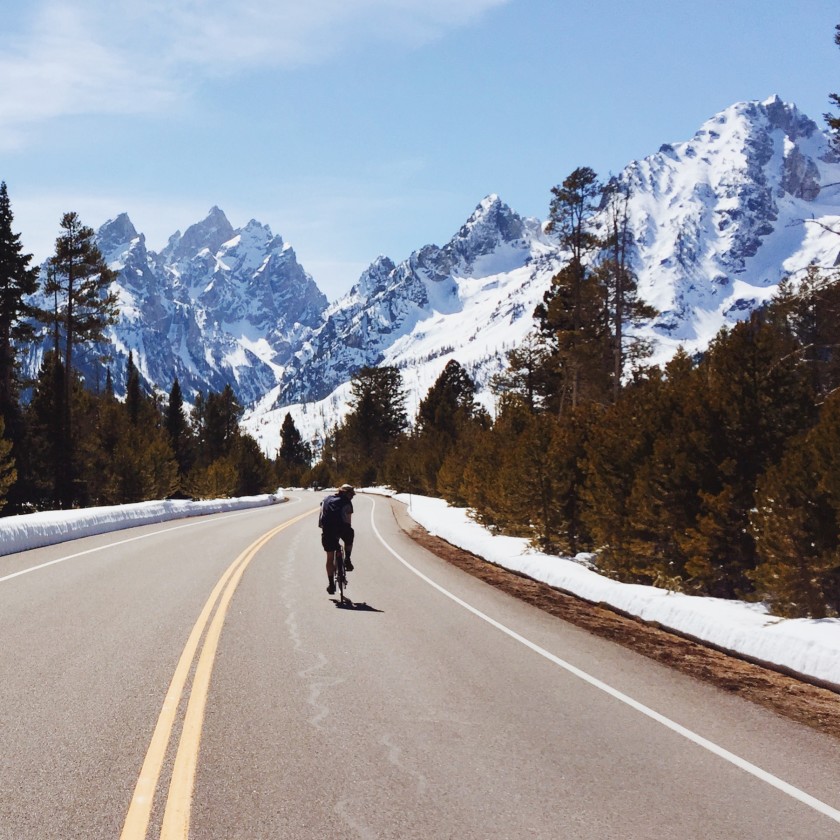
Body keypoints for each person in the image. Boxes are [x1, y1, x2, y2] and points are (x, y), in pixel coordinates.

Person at [319, 483, 355, 594]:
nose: (352, 496)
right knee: (350, 534)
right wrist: (345, 531)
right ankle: (347, 558)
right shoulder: (347, 502)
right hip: (342, 528)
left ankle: (331, 585)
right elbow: (348, 522)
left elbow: (321, 518)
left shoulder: (326, 499)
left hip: (328, 530)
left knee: (330, 558)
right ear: (347, 494)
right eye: (351, 494)